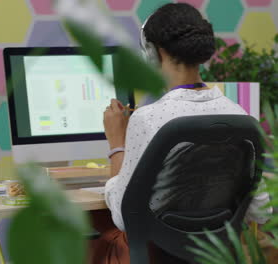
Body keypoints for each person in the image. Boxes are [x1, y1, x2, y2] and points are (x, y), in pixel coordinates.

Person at [89, 3, 271, 264]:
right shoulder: (242, 117)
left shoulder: (148, 118)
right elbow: (262, 210)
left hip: (155, 254)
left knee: (90, 231)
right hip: (215, 254)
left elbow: (122, 216)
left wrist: (117, 142)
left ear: (152, 53)